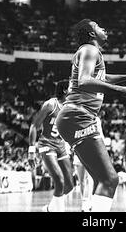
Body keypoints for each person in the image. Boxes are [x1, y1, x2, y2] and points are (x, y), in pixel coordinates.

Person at [56, 19, 126, 213]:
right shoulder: (90, 49)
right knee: (110, 179)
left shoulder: (91, 53)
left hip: (73, 117)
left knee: (99, 180)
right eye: (98, 26)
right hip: (78, 115)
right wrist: (122, 90)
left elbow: (101, 78)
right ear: (91, 34)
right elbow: (85, 81)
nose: (104, 28)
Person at [28, 80, 74, 212]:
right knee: (59, 180)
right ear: (65, 90)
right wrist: (31, 151)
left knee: (69, 185)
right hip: (47, 144)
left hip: (60, 145)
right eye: (72, 87)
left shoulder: (69, 106)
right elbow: (33, 126)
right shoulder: (50, 104)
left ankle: (49, 208)